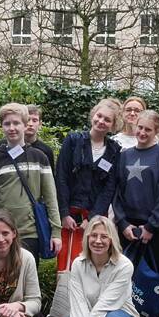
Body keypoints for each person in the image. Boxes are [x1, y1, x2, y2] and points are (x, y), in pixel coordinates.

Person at [112, 110, 159, 317]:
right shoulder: (125, 155)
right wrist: (122, 223)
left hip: (154, 230)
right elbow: (117, 192)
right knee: (123, 278)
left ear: (156, 131)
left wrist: (151, 226)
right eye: (140, 127)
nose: (142, 133)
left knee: (151, 279)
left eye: (148, 129)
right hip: (127, 227)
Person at [60, 215, 140, 317]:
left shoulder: (124, 266)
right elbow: (78, 303)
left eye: (104, 236)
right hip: (89, 316)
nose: (98, 241)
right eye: (93, 235)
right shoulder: (77, 264)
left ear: (112, 240)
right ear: (87, 238)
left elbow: (104, 305)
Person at [54, 98, 122, 273]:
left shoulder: (114, 150)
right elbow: (61, 176)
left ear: (113, 125)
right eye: (99, 116)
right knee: (66, 262)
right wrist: (64, 213)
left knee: (90, 262)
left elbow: (109, 188)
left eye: (107, 120)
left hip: (94, 217)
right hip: (69, 214)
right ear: (93, 115)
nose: (101, 121)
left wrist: (92, 218)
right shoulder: (73, 141)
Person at [0, 103, 62, 261]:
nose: (12, 128)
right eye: (7, 124)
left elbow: (51, 198)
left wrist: (56, 232)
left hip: (30, 233)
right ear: (1, 127)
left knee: (28, 282)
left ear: (25, 125)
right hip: (0, 234)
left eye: (16, 123)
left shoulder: (40, 157)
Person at [24, 104, 55, 169]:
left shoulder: (46, 151)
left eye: (34, 120)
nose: (30, 124)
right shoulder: (10, 147)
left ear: (40, 124)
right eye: (27, 120)